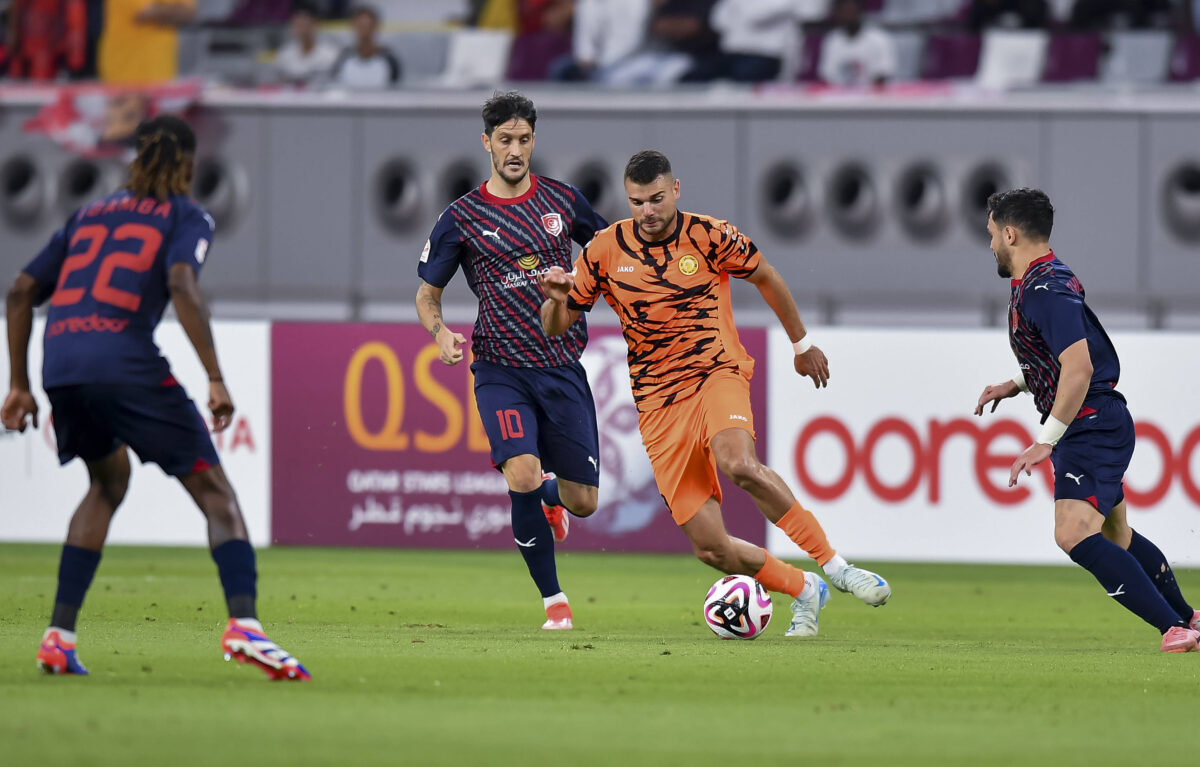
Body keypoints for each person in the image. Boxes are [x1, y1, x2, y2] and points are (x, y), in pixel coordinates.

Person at [2, 115, 309, 680]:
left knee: (107, 482)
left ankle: (58, 637)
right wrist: (215, 376)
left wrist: (18, 384)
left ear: (133, 159)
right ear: (188, 166)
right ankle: (246, 627)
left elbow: (21, 290)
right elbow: (181, 283)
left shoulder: (87, 214)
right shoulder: (186, 214)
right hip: (123, 361)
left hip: (60, 363)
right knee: (216, 493)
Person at [538, 150, 890, 638]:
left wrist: (801, 345)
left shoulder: (709, 235)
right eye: (637, 202)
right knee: (711, 548)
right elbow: (556, 325)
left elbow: (766, 276)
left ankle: (835, 566)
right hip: (658, 403)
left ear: (676, 190)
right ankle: (804, 588)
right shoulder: (604, 249)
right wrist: (555, 300)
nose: (648, 211)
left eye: (657, 199)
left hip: (715, 372)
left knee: (738, 463)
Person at [974, 188, 1200, 654]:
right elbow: (1061, 352)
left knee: (1073, 531)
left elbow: (1078, 368)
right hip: (1094, 418)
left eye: (992, 234)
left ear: (1011, 234)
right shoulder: (1042, 279)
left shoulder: (1046, 289)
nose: (990, 244)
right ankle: (1188, 617)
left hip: (1089, 422)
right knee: (1116, 534)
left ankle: (1174, 629)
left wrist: (1045, 440)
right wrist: (1015, 384)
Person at [414, 92, 608, 631]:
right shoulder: (461, 217)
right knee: (521, 472)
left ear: (534, 141)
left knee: (584, 502)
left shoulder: (563, 201)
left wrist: (590, 284)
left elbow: (609, 252)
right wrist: (440, 334)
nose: (515, 150)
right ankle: (554, 603)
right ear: (487, 143)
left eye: (523, 139)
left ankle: (552, 496)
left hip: (562, 367)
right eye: (505, 140)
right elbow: (427, 294)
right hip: (500, 369)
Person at [97, 0, 196, 84]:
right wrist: (173, 10)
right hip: (124, 73)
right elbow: (145, 13)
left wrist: (160, 11)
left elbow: (188, 13)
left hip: (162, 72)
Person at [818, 0, 896, 88]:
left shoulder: (879, 39)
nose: (847, 16)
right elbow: (827, 76)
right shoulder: (832, 40)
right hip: (838, 94)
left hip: (872, 94)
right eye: (843, 12)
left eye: (851, 11)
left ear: (860, 12)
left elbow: (883, 74)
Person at [331, 4, 400, 89]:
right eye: (361, 26)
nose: (365, 32)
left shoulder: (389, 60)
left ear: (376, 28)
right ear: (353, 27)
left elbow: (396, 88)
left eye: (369, 27)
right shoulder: (344, 58)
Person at [273, 1, 339, 87]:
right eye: (298, 23)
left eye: (305, 22)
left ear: (316, 23)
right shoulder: (284, 54)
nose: (302, 27)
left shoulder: (330, 55)